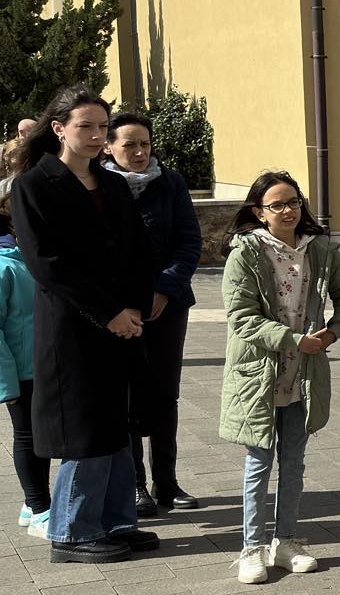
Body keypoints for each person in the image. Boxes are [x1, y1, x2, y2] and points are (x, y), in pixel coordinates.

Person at [12, 88, 157, 564]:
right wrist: (109, 312)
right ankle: (71, 532)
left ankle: (115, 521)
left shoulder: (112, 184)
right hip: (73, 328)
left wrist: (134, 308)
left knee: (117, 423)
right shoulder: (34, 186)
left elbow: (138, 250)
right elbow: (48, 265)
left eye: (102, 128)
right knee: (85, 429)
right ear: (59, 129)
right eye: (86, 127)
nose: (97, 137)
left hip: (122, 324)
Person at [220, 172, 340, 585]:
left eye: (294, 202)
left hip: (303, 376)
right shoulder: (245, 253)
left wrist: (334, 331)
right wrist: (293, 339)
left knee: (295, 463)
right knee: (258, 463)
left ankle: (285, 541)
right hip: (258, 375)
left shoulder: (317, 249)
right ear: (259, 213)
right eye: (277, 205)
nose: (288, 211)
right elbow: (241, 318)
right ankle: (250, 548)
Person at [104, 110, 203, 515]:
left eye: (144, 143)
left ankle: (167, 483)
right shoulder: (99, 186)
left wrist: (165, 289)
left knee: (165, 395)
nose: (139, 152)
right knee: (126, 398)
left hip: (168, 307)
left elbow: (189, 241)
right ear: (110, 147)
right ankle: (135, 487)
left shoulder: (171, 182)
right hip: (117, 311)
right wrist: (122, 301)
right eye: (129, 145)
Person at [0, 182, 50, 538]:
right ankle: (38, 507)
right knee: (28, 436)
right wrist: (7, 384)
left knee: (43, 437)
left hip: (49, 363)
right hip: (22, 370)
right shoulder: (5, 266)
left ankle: (33, 500)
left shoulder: (42, 257)